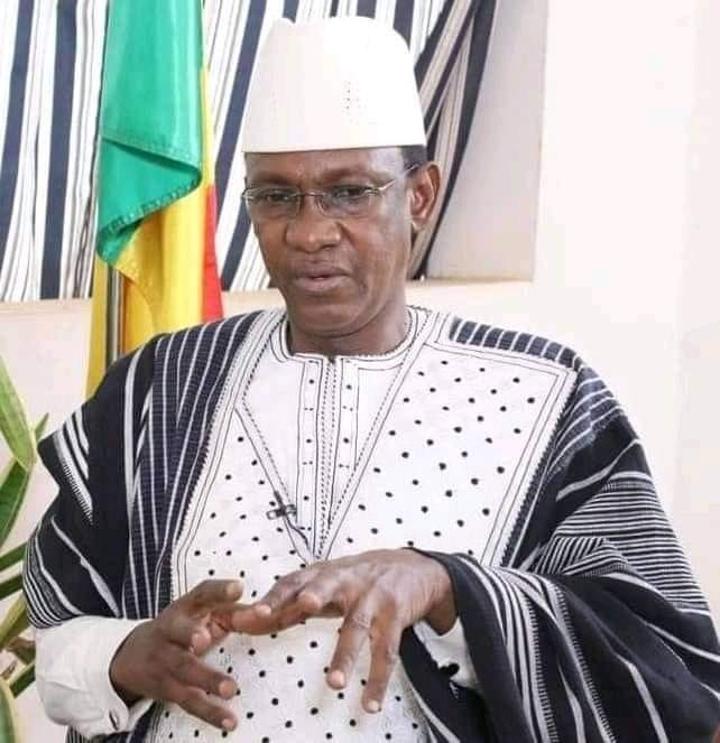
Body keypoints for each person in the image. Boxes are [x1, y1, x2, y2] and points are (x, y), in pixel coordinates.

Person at [24, 16, 720, 743]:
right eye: (276, 196)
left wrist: (449, 588)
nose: (309, 232)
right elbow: (59, 640)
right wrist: (125, 656)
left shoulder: (548, 396)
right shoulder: (159, 389)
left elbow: (668, 667)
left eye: (350, 192)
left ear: (419, 196)